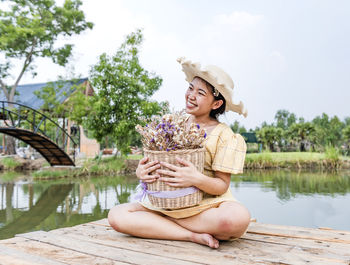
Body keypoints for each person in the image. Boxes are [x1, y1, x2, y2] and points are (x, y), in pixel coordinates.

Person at [108, 57, 250, 249]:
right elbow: (154, 162)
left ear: (215, 104)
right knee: (116, 216)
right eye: (190, 88)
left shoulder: (224, 135)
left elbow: (222, 185)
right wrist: (141, 173)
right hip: (167, 203)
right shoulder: (171, 123)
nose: (191, 95)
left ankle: (160, 226)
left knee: (237, 219)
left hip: (204, 206)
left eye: (200, 93)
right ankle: (190, 235)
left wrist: (195, 179)